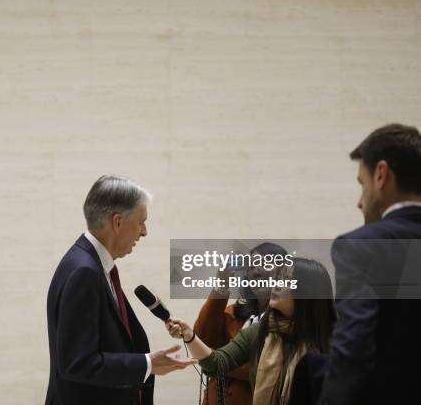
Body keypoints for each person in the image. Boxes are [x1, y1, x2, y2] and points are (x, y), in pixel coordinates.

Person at [46, 175, 196, 405]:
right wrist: (147, 364)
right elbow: (77, 363)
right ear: (117, 222)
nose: (144, 232)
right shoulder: (84, 272)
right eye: (141, 222)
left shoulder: (92, 264)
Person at [318, 124, 421, 405]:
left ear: (381, 174)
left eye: (361, 184)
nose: (359, 202)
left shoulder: (362, 245)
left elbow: (353, 350)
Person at [168, 258, 336, 405]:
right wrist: (190, 335)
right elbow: (215, 364)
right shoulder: (260, 330)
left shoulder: (336, 338)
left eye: (286, 281)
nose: (275, 286)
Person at [193, 242, 288, 405]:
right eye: (251, 266)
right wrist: (221, 286)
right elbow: (203, 338)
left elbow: (268, 371)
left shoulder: (286, 320)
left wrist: (217, 363)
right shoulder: (237, 311)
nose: (255, 270)